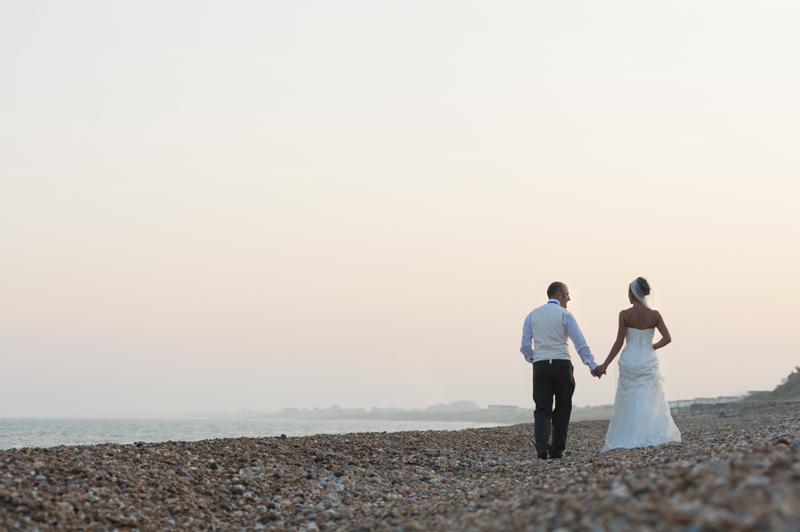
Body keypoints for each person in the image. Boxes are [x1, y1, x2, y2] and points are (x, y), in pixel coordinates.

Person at [594, 277, 681, 451]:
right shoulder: (655, 315)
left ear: (632, 294)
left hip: (629, 360)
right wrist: (653, 347)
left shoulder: (624, 314)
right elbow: (668, 338)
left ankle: (628, 435)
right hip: (647, 359)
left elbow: (619, 342)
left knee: (629, 398)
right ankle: (648, 432)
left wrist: (604, 365)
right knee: (648, 398)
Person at [520, 282, 603, 459]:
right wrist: (592, 365)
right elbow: (579, 343)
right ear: (559, 294)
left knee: (542, 407)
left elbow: (525, 346)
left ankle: (542, 446)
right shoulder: (565, 314)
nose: (569, 298)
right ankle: (557, 449)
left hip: (541, 366)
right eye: (567, 294)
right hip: (561, 364)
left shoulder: (532, 315)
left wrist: (535, 359)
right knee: (563, 406)